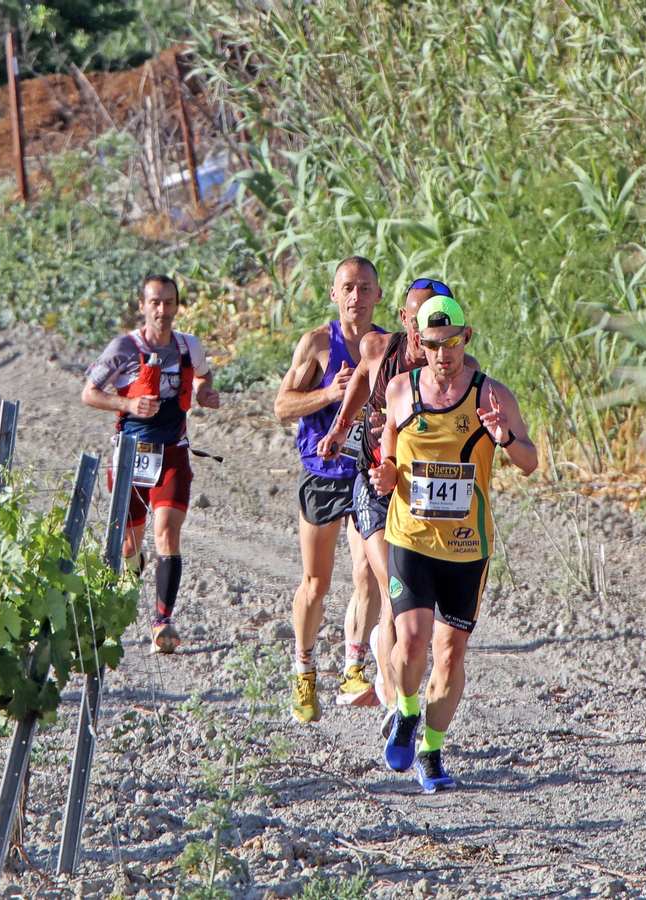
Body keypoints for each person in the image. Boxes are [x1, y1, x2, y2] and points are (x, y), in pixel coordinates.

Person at [366, 296, 536, 792]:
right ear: (419, 343)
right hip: (411, 537)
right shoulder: (400, 391)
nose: (444, 355)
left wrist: (504, 438)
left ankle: (432, 751)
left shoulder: (491, 395)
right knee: (413, 638)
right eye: (434, 345)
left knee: (449, 656)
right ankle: (406, 710)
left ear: (466, 339)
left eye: (453, 344)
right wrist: (384, 474)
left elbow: (530, 462)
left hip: (466, 547)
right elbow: (390, 456)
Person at [315, 279, 479, 712]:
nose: (423, 330)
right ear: (406, 319)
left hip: (422, 498)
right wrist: (338, 429)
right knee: (394, 597)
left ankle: (395, 676)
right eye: (416, 318)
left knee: (418, 616)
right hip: (375, 485)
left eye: (434, 322)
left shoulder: (464, 369)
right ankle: (393, 703)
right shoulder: (377, 348)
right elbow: (360, 388)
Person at [82, 274, 221, 654]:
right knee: (129, 545)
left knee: (167, 534)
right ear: (142, 306)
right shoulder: (123, 348)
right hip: (130, 456)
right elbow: (89, 393)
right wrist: (127, 404)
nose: (163, 310)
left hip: (173, 452)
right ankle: (119, 610)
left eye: (169, 302)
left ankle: (163, 623)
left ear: (177, 306)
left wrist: (205, 391)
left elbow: (206, 375)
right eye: (155, 302)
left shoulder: (189, 346)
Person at [273, 257, 386, 722]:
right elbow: (282, 405)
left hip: (364, 472)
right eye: (348, 288)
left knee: (368, 573)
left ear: (378, 295)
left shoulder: (387, 347)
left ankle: (354, 666)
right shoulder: (319, 345)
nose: (356, 297)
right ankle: (304, 670)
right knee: (316, 584)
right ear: (334, 294)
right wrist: (329, 394)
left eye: (364, 288)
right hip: (322, 472)